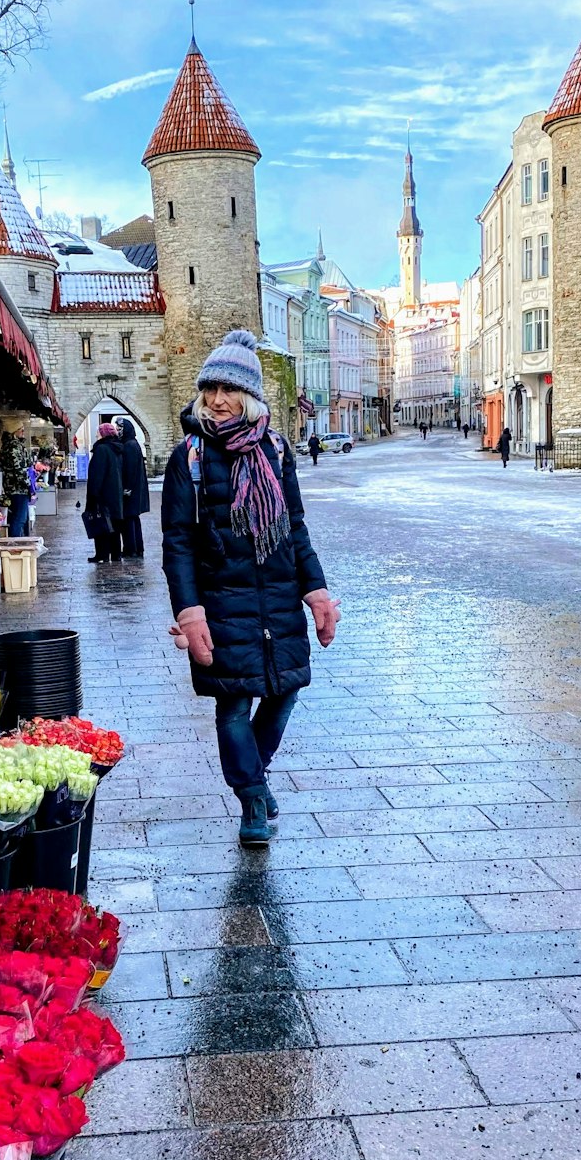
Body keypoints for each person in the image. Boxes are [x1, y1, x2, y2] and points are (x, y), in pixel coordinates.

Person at [162, 328, 340, 847]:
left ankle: (254, 776)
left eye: (230, 390)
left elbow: (296, 527)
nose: (218, 400)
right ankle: (251, 802)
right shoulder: (189, 458)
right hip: (222, 602)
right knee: (234, 705)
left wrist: (317, 590)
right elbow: (177, 543)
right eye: (211, 389)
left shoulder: (277, 452)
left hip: (279, 598)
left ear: (250, 396)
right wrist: (190, 610)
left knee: (286, 692)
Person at [85, 424, 124, 562]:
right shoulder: (116, 448)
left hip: (103, 494)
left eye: (98, 432)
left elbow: (97, 475)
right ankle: (116, 553)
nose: (96, 435)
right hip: (115, 493)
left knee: (101, 523)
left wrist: (93, 495)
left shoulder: (101, 449)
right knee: (114, 525)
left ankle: (102, 554)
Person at [118, 418, 150, 557]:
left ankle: (131, 548)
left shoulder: (130, 445)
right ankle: (137, 548)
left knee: (129, 520)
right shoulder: (131, 443)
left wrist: (127, 488)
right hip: (134, 490)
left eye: (120, 429)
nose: (118, 432)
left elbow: (130, 469)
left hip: (131, 491)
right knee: (133, 519)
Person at [0, 427, 33, 536]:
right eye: (21, 430)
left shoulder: (7, 445)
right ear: (14, 432)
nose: (23, 432)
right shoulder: (14, 447)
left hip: (12, 487)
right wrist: (29, 485)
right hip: (18, 488)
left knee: (19, 518)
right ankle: (15, 544)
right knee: (19, 519)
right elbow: (18, 469)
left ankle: (20, 541)